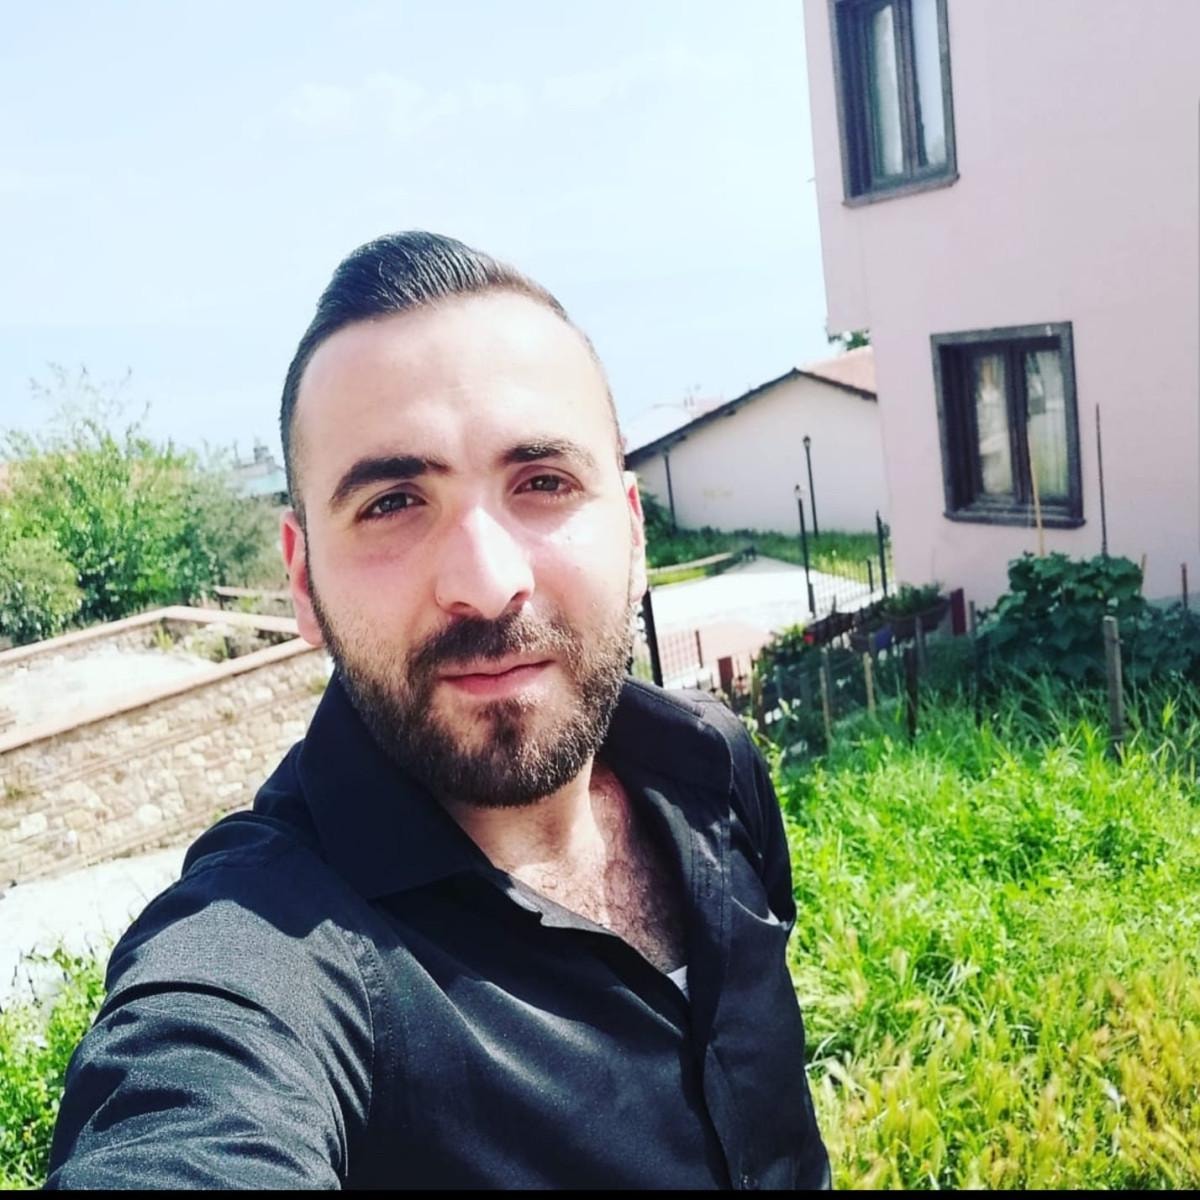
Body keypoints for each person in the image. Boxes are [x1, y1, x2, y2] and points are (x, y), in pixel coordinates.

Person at [46, 232, 831, 1189]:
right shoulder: (263, 949)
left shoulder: (712, 763)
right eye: (392, 503)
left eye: (543, 483)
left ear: (631, 531)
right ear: (302, 579)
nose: (487, 583)